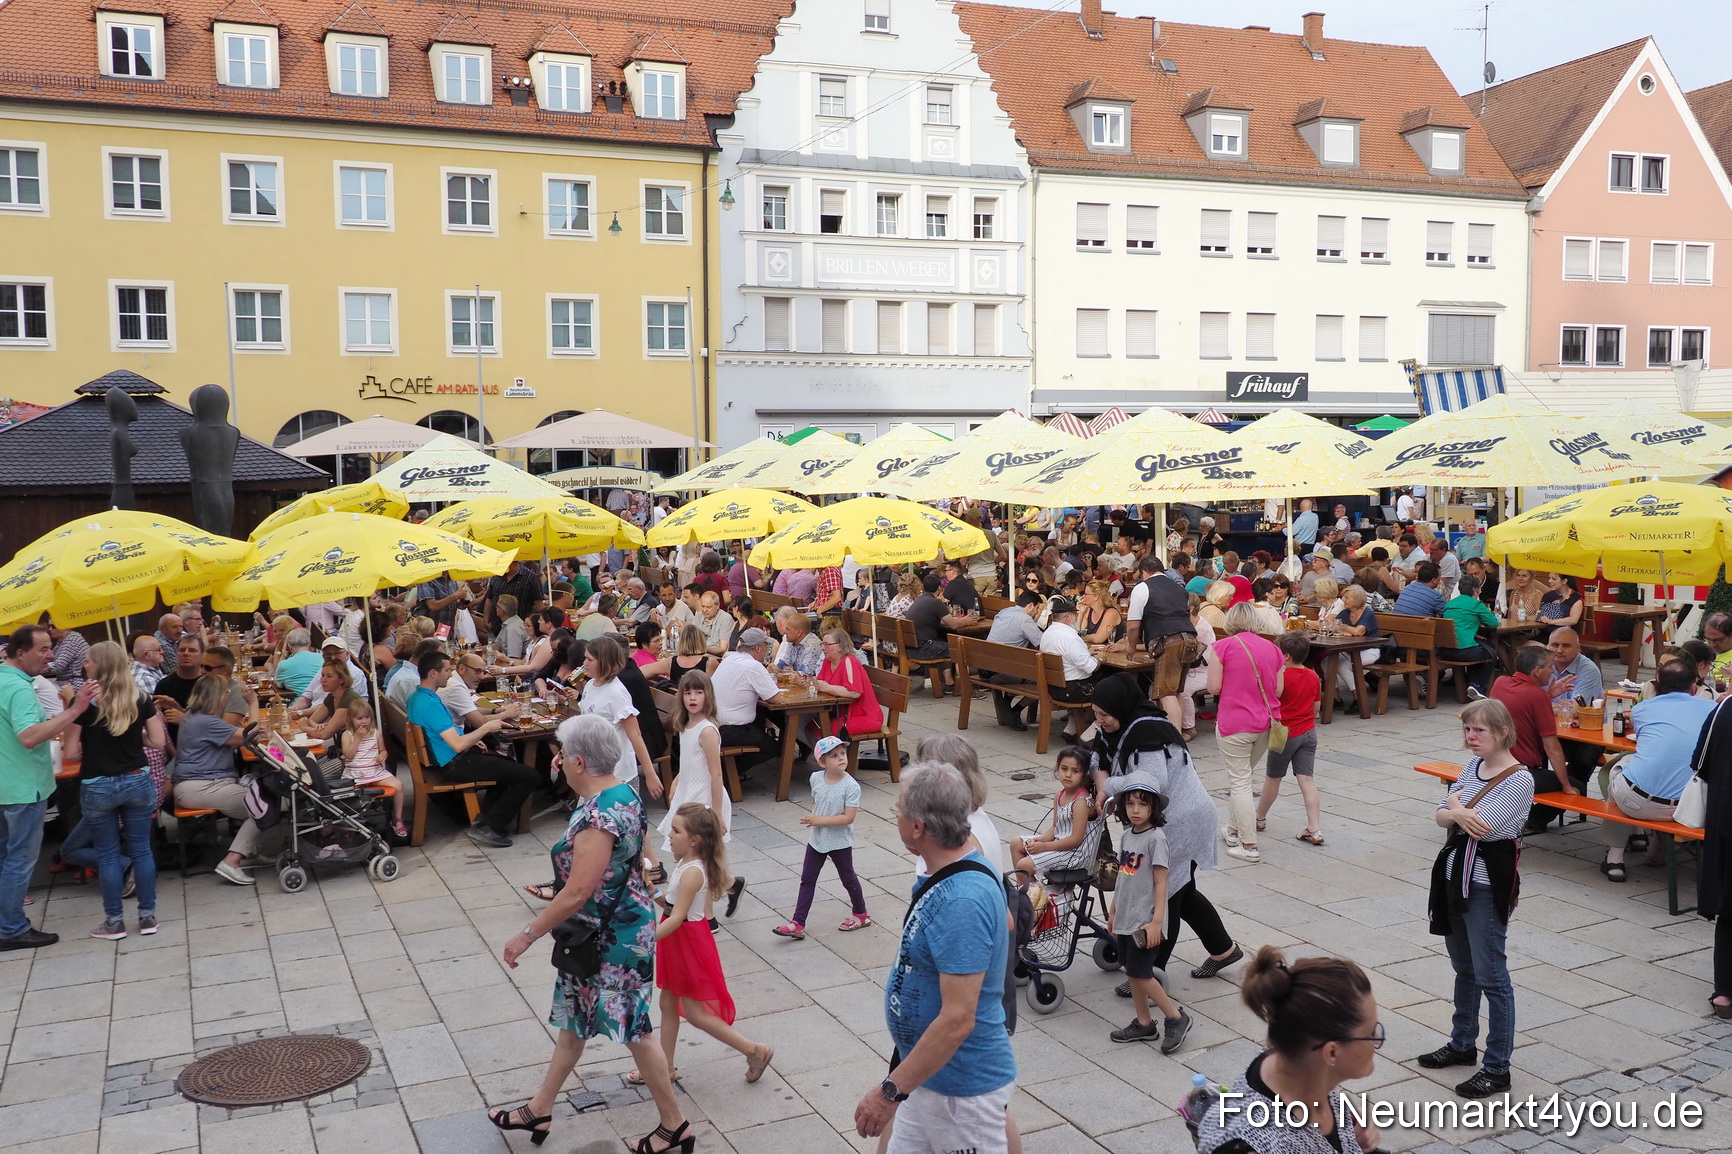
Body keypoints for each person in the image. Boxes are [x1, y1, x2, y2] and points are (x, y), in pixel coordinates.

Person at [491, 715, 689, 1154]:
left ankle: (674, 1125)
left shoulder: (600, 815)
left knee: (636, 1030)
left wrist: (527, 934)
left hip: (613, 938)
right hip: (604, 931)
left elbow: (578, 891)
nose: (556, 761)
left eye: (560, 754)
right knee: (574, 1021)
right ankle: (539, 1109)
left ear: (579, 761)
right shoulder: (621, 792)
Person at [854, 761, 1015, 1154]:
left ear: (918, 827)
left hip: (962, 1097)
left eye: (898, 811)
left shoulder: (962, 900)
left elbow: (958, 1018)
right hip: (927, 1080)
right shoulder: (944, 874)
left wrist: (888, 1092)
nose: (895, 818)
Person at [1088, 675, 1241, 992]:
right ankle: (1224, 950)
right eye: (1095, 714)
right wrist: (1102, 779)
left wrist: (1110, 788)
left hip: (1181, 820)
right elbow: (1096, 755)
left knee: (1166, 893)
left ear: (1121, 707)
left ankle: (1148, 972)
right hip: (1166, 819)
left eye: (1104, 715)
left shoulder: (1146, 732)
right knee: (1183, 893)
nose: (1099, 722)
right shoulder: (1114, 730)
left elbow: (1151, 783)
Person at [1419, 698, 1534, 1099]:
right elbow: (1440, 813)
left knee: (1492, 977)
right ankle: (1462, 1043)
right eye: (1467, 729)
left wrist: (1456, 808)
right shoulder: (1472, 766)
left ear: (1502, 732)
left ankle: (1498, 1067)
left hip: (1486, 883)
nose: (1470, 737)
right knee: (1463, 968)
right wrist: (1455, 810)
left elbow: (1484, 827)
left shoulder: (1519, 779)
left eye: (1478, 730)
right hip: (1455, 878)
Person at [1197, 946, 1383, 1154]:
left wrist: (1351, 1128)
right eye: (1371, 1033)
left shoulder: (1294, 1061)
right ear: (1331, 1052)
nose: (1377, 1041)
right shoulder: (1252, 1144)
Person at [638, 804, 773, 1087]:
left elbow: (677, 918)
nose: (670, 835)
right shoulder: (685, 864)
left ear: (694, 839)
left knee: (697, 1014)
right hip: (680, 941)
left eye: (676, 830)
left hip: (688, 944)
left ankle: (754, 1050)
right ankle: (665, 1067)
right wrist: (655, 894)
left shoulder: (692, 872)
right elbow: (676, 908)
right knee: (668, 1002)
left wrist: (643, 942)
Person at [60, 641, 165, 940]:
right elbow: (157, 741)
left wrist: (92, 748)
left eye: (88, 661)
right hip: (136, 778)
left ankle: (114, 922)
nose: (84, 665)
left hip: (98, 784)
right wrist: (132, 740)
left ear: (99, 665)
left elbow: (70, 753)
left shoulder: (82, 703)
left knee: (107, 855)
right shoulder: (140, 697)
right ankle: (147, 917)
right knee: (142, 850)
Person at [0, 626, 97, 949]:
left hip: (6, 784)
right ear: (20, 652)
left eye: (50, 647)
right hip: (23, 787)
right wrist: (75, 710)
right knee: (18, 859)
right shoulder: (18, 689)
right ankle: (11, 928)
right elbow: (29, 736)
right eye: (43, 649)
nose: (51, 654)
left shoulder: (3, 679)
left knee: (4, 857)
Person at [407, 652, 541, 849]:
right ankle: (489, 825)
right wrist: (486, 728)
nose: (451, 673)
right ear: (433, 673)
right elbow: (458, 744)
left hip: (444, 759)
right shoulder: (431, 704)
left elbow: (449, 736)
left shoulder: (417, 697)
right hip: (454, 763)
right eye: (447, 670)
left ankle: (487, 819)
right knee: (530, 776)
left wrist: (473, 739)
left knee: (508, 766)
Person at [1597, 659, 1714, 882]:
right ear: (1693, 686)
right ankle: (1640, 837)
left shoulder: (1642, 709)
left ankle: (1616, 856)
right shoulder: (1712, 708)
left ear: (1657, 684)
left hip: (1640, 805)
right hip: (1694, 808)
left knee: (1617, 769)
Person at [1104, 777, 1192, 1050]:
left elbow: (1161, 883)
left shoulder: (1157, 839)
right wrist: (1114, 907)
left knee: (1142, 973)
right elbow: (1123, 875)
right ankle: (1144, 1023)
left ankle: (1176, 1017)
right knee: (1131, 971)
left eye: (1142, 804)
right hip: (1126, 916)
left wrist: (1156, 922)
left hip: (1145, 920)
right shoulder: (1127, 835)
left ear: (1153, 807)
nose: (1135, 810)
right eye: (1130, 803)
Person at [660, 671, 745, 921]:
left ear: (708, 695)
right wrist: (677, 780)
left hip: (704, 798)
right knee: (700, 858)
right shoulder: (686, 726)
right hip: (688, 793)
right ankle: (729, 886)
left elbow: (716, 775)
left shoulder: (707, 731)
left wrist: (716, 813)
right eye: (687, 693)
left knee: (698, 856)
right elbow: (689, 760)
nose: (693, 698)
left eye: (698, 692)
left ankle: (707, 916)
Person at [168, 672, 262, 885]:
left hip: (193, 785)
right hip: (201, 786)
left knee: (258, 795)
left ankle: (250, 851)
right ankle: (232, 861)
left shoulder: (194, 716)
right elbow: (250, 735)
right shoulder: (206, 722)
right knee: (262, 805)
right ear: (217, 696)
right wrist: (253, 702)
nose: (228, 696)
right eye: (226, 692)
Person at [775, 734, 871, 939]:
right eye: (834, 756)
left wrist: (819, 820)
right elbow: (819, 800)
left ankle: (861, 914)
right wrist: (819, 821)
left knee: (848, 879)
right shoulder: (815, 778)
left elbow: (848, 818)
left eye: (843, 753)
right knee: (807, 880)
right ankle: (797, 923)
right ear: (821, 762)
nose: (841, 758)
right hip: (817, 840)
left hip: (839, 841)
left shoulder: (851, 786)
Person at [1209, 604, 1284, 864]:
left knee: (1240, 781)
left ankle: (1249, 844)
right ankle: (1232, 830)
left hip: (1234, 722)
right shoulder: (1273, 648)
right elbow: (1279, 690)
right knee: (1243, 776)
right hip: (1266, 723)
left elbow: (1214, 687)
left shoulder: (1222, 647)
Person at [1490, 644, 1576, 833]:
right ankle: (1535, 820)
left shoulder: (1500, 682)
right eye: (1550, 666)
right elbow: (1552, 748)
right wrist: (1567, 785)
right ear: (1537, 671)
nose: (1553, 671)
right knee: (1578, 784)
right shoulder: (1537, 696)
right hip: (1519, 773)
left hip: (1492, 765)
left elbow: (1521, 704)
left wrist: (1547, 695)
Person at [1255, 633, 1324, 846]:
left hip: (1285, 734)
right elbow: (1316, 709)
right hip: (1309, 733)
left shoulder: (1281, 678)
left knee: (1273, 778)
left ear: (1284, 656)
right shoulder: (1313, 675)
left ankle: (1259, 818)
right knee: (1307, 780)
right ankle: (1314, 827)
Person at [1120, 553, 1199, 726]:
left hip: (1168, 641)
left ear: (1144, 572)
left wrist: (1131, 647)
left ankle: (1174, 739)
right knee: (1176, 691)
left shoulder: (1143, 587)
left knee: (1166, 694)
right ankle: (1180, 731)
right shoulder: (1179, 587)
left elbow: (1133, 625)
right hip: (1190, 639)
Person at [1008, 746, 1099, 880]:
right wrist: (1042, 839)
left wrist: (1044, 846)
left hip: (1075, 854)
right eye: (1064, 769)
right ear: (1058, 768)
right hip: (1059, 844)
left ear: (1084, 773)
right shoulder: (1059, 794)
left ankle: (1032, 898)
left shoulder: (1081, 801)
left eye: (1075, 771)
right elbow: (1056, 827)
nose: (1068, 775)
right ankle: (1032, 894)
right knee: (1016, 843)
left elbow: (1075, 840)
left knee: (1024, 865)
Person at [710, 628, 781, 773]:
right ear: (758, 647)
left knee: (759, 716)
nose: (767, 649)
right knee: (774, 748)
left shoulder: (729, 659)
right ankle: (730, 773)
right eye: (766, 646)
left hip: (714, 725)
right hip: (731, 730)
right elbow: (776, 698)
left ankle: (731, 771)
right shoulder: (754, 666)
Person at [341, 697, 406, 840]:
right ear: (351, 719)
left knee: (398, 784)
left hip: (374, 772)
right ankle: (347, 824)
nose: (364, 721)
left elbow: (383, 750)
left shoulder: (376, 733)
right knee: (344, 795)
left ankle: (398, 818)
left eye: (367, 717)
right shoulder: (348, 735)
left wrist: (382, 755)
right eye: (359, 718)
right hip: (355, 774)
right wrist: (357, 738)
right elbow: (348, 754)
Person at [1040, 597, 1101, 740]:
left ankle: (1072, 726)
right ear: (1068, 616)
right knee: (1116, 686)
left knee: (1106, 680)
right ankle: (1092, 731)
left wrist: (1086, 653)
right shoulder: (1070, 636)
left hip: (1054, 687)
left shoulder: (1048, 633)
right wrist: (1102, 658)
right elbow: (1090, 667)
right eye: (1076, 615)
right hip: (1073, 690)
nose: (1076, 618)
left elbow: (1068, 656)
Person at [1441, 574, 1500, 698]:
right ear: (1475, 590)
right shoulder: (1476, 604)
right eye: (1479, 588)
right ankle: (1478, 686)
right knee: (1491, 653)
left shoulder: (1449, 604)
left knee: (1479, 647)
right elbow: (1493, 624)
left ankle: (1473, 685)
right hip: (1464, 651)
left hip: (1445, 650)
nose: (1481, 590)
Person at [815, 630, 882, 737]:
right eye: (822, 644)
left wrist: (827, 687)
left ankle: (831, 753)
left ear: (840, 647)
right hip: (841, 712)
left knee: (823, 729)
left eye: (827, 644)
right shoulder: (828, 661)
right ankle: (822, 753)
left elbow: (855, 692)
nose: (823, 647)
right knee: (810, 725)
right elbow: (819, 683)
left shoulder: (849, 661)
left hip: (863, 715)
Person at [772, 606, 824, 677]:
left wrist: (776, 674)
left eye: (788, 629)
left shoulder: (813, 646)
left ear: (799, 632)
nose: (785, 631)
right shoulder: (792, 640)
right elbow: (783, 664)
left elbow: (803, 674)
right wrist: (771, 668)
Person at [1535, 572, 1584, 641]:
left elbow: (1573, 620)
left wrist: (1551, 621)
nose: (1549, 581)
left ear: (1564, 581)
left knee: (1540, 649)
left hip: (1564, 635)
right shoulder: (1549, 596)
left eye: (1553, 579)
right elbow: (1539, 614)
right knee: (1527, 646)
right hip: (1545, 633)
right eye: (1549, 578)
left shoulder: (1576, 598)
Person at [493, 594, 530, 659]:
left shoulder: (513, 629)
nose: (495, 608)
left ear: (501, 611)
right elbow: (498, 645)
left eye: (497, 606)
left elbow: (514, 657)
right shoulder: (512, 621)